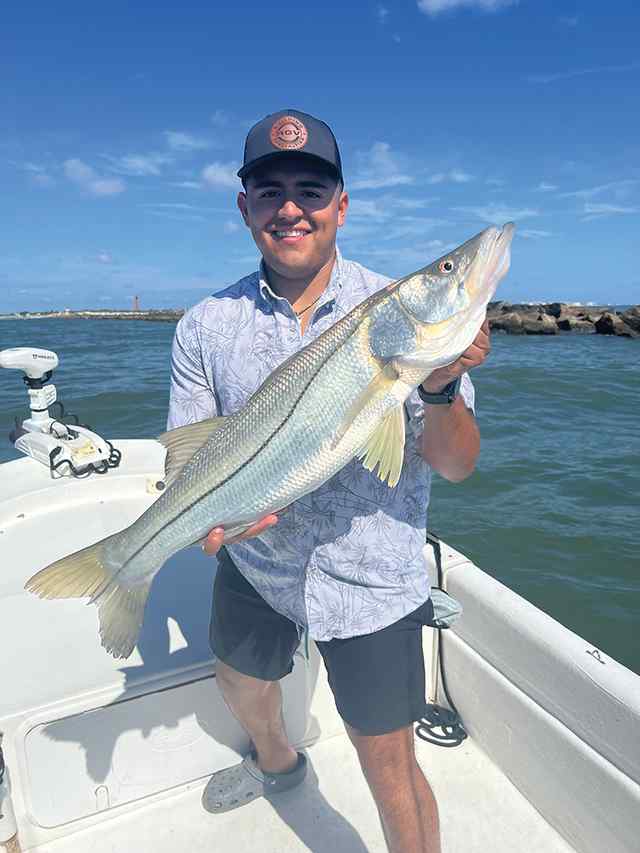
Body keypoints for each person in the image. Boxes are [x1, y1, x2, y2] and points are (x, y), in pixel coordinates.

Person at [167, 109, 490, 853]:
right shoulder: (203, 326)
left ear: (341, 206)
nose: (290, 208)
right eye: (269, 191)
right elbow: (189, 461)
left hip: (370, 578)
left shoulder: (396, 313)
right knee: (239, 682)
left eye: (310, 191)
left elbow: (457, 464)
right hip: (256, 558)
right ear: (244, 207)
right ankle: (278, 761)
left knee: (389, 763)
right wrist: (207, 522)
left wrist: (440, 387)